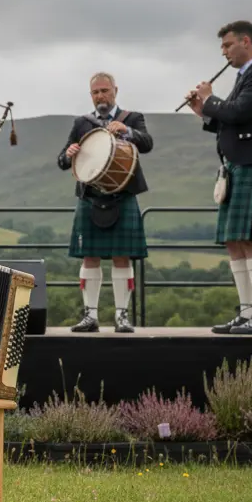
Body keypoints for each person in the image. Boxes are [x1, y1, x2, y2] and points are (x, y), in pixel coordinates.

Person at [187, 20, 252, 335]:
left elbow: (238, 113)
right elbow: (227, 121)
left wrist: (211, 99)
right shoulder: (245, 77)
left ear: (246, 41)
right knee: (235, 243)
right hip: (236, 167)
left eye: (228, 45)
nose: (224, 53)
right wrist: (203, 112)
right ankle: (247, 312)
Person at [57, 72, 153, 333]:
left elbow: (147, 143)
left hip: (122, 195)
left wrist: (128, 132)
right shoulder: (82, 123)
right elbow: (62, 160)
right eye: (96, 92)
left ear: (115, 91)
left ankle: (122, 316)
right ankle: (90, 316)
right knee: (89, 257)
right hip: (91, 196)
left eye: (105, 91)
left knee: (122, 257)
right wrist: (68, 154)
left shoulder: (132, 118)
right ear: (91, 95)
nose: (101, 96)